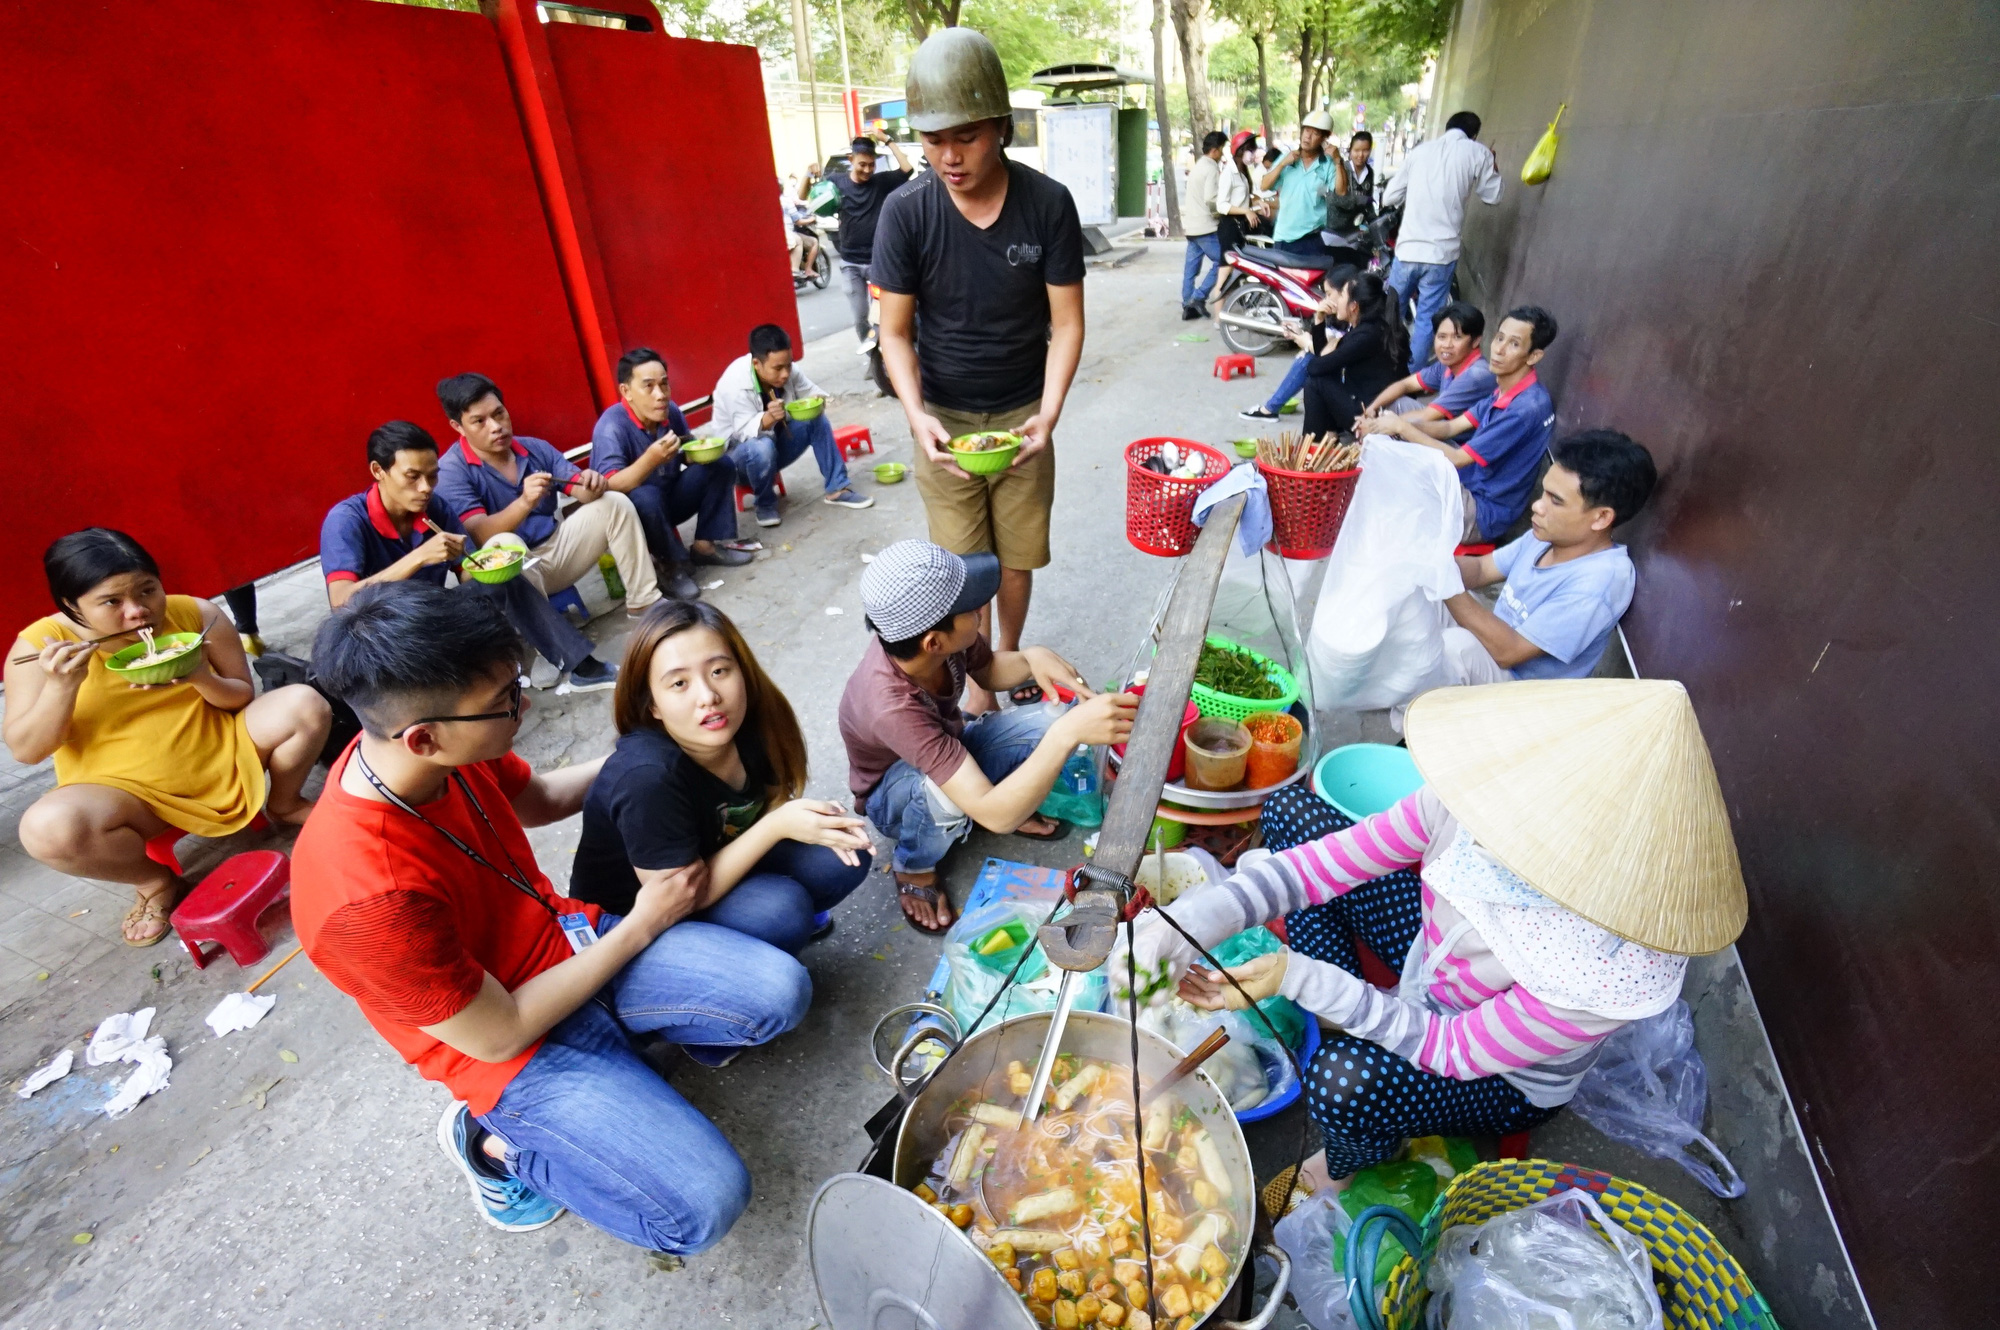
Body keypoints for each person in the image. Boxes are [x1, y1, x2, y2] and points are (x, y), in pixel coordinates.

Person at [291, 582, 810, 1248]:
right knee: (703, 1204)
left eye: (516, 682)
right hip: (512, 1051)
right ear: (423, 738)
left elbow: (536, 797)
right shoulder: (365, 899)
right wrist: (645, 921)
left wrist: (661, 740)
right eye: (505, 701)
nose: (524, 703)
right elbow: (500, 1032)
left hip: (569, 946)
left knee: (778, 991)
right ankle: (491, 1145)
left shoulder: (441, 752)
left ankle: (626, 1068)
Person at [1123, 678, 1746, 1190]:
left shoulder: (1604, 967)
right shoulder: (1479, 798)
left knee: (1341, 1080)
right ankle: (1351, 1013)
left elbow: (1454, 1050)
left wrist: (1303, 978)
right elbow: (1329, 863)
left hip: (1497, 1076)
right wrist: (1201, 918)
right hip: (1429, 965)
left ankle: (1350, 1160)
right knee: (1292, 814)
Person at [872, 28, 1086, 715]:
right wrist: (917, 416)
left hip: (1025, 412)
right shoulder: (907, 212)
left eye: (964, 136)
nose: (948, 155)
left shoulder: (1047, 204)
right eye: (933, 139)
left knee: (1017, 559)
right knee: (965, 572)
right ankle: (976, 685)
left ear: (1000, 127)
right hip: (947, 418)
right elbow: (895, 332)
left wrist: (1047, 417)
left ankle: (1006, 659)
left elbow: (1068, 324)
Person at [5, 529, 331, 946]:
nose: (138, 612)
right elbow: (26, 750)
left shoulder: (196, 614)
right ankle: (155, 882)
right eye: (112, 602)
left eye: (148, 590)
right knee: (47, 830)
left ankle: (285, 802)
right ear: (71, 606)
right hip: (128, 792)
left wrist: (198, 675)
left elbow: (240, 698)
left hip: (222, 749)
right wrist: (61, 688)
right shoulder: (38, 649)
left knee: (305, 703)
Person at [838, 541, 1135, 934]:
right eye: (970, 608)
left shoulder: (935, 642)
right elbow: (997, 817)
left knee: (1054, 717)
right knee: (958, 793)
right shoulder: (891, 705)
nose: (981, 610)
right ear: (933, 642)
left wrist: (1031, 657)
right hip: (895, 795)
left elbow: (990, 670)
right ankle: (915, 866)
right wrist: (1066, 736)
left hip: (948, 749)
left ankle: (983, 798)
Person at [568, 599, 871, 955]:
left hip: (711, 863)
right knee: (781, 912)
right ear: (652, 705)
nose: (708, 697)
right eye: (679, 683)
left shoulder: (751, 720)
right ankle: (736, 964)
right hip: (633, 924)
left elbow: (772, 800)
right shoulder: (647, 778)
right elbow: (677, 898)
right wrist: (778, 826)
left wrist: (806, 819)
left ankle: (763, 926)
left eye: (718, 671)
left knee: (843, 854)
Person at [320, 421, 617, 694]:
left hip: (431, 614)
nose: (425, 488)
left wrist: (487, 567)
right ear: (378, 471)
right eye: (412, 477)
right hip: (382, 632)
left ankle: (579, 666)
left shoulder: (435, 508)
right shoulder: (347, 520)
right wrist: (418, 558)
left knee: (503, 583)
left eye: (432, 476)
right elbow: (342, 601)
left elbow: (466, 572)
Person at [434, 372, 667, 613]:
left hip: (557, 555)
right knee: (503, 543)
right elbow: (479, 535)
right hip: (509, 577)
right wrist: (524, 502)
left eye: (498, 414)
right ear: (458, 427)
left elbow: (579, 488)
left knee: (614, 502)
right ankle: (547, 634)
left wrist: (592, 483)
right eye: (479, 421)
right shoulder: (451, 471)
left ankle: (645, 600)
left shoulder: (534, 448)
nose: (496, 427)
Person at [1438, 431, 1656, 684]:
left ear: (1601, 518)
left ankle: (1413, 716)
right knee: (1423, 589)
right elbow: (1481, 569)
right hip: (1493, 650)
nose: (1538, 506)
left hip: (1523, 693)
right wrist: (1431, 561)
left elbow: (1509, 652)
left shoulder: (1600, 582)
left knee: (1456, 649)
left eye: (1556, 501)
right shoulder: (1549, 535)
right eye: (1544, 493)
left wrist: (1442, 579)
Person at [1362, 305, 1560, 542]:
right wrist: (1393, 428)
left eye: (1514, 344)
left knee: (1391, 494)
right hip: (1471, 478)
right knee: (1392, 461)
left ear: (1534, 356)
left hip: (1482, 511)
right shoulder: (1505, 389)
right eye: (1499, 338)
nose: (1499, 350)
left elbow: (1456, 459)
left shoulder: (1524, 409)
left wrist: (1401, 428)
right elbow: (1450, 427)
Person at [586, 349, 750, 598]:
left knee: (721, 465)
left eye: (664, 384)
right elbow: (610, 486)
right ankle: (670, 565)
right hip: (638, 517)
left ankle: (705, 546)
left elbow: (686, 451)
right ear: (626, 391)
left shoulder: (669, 412)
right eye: (648, 387)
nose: (660, 395)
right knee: (645, 496)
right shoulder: (611, 427)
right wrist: (650, 460)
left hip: (670, 499)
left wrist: (700, 450)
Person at [709, 323, 872, 526]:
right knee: (761, 446)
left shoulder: (788, 369)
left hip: (775, 448)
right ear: (757, 364)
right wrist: (767, 419)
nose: (785, 374)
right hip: (737, 461)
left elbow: (812, 393)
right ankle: (765, 504)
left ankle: (837, 488)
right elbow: (743, 433)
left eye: (788, 365)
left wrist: (817, 401)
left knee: (815, 419)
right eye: (777, 368)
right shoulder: (734, 384)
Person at [1382, 111, 1504, 373]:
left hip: (1408, 250)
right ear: (1474, 135)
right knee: (1427, 319)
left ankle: (1379, 367)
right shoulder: (1477, 152)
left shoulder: (1419, 151)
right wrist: (1491, 165)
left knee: (1390, 311)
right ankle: (1411, 378)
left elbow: (1389, 197)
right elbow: (1493, 196)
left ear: (1446, 128)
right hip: (1441, 255)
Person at [823, 133, 912, 349]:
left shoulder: (880, 183)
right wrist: (808, 175)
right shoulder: (836, 182)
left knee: (886, 313)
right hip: (850, 264)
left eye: (872, 165)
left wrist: (888, 140)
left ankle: (886, 351)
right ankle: (870, 353)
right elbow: (809, 196)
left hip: (878, 262)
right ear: (850, 159)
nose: (867, 170)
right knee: (859, 316)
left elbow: (907, 168)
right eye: (862, 164)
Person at [1300, 270, 1409, 438]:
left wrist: (1324, 346)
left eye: (1341, 295)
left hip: (1370, 415)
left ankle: (1311, 446)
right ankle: (1326, 438)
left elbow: (1316, 367)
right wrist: (1319, 321)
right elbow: (1325, 359)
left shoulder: (1367, 335)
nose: (1334, 301)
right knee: (1324, 377)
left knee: (1316, 383)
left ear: (1354, 306)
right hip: (1368, 403)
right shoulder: (1373, 327)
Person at [1361, 300, 1495, 420]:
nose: (1447, 345)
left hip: (1461, 444)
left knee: (1394, 426)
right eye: (1442, 337)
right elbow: (1405, 385)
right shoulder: (1448, 364)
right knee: (1395, 404)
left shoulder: (1476, 375)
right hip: (1443, 428)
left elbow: (1428, 416)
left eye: (1457, 337)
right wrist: (1371, 409)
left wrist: (1379, 424)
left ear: (1476, 340)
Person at [1259, 110, 1350, 255]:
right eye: (1306, 130)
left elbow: (1341, 192)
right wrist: (1282, 164)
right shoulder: (1287, 158)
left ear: (1324, 138)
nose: (1308, 136)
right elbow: (1264, 185)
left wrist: (1338, 161)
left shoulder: (1327, 164)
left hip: (1311, 239)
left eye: (1315, 133)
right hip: (1283, 238)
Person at [1180, 131, 1227, 320]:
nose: (1223, 154)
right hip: (1205, 227)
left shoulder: (1199, 165)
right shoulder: (1211, 168)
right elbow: (1211, 198)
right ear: (1215, 150)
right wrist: (1221, 211)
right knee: (1224, 261)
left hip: (1191, 225)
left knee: (1190, 269)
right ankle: (1198, 298)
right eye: (1222, 150)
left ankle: (1187, 305)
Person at [1215, 131, 1268, 254]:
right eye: (1250, 149)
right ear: (1240, 150)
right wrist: (1246, 211)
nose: (1254, 153)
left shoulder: (1243, 173)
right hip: (1230, 226)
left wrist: (1258, 202)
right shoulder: (1228, 173)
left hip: (1242, 225)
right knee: (1227, 265)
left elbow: (1244, 197)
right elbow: (1221, 205)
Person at [1326, 130, 1378, 234]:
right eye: (1356, 150)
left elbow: (1368, 205)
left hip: (1355, 229)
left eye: (1365, 150)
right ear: (1350, 151)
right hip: (1334, 228)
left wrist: (1376, 223)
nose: (1361, 155)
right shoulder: (1341, 169)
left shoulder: (1369, 172)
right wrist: (1360, 199)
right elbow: (1334, 199)